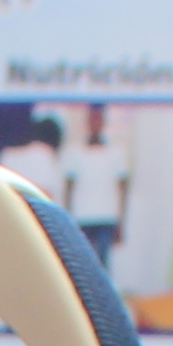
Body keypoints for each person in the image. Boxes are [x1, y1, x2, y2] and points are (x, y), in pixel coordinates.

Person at [59, 106, 131, 268]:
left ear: (103, 123)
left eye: (98, 119)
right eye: (92, 119)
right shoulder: (75, 152)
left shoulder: (116, 153)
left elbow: (122, 188)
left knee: (102, 265)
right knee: (83, 265)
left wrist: (121, 221)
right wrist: (67, 219)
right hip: (82, 216)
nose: (95, 124)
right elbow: (69, 188)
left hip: (106, 216)